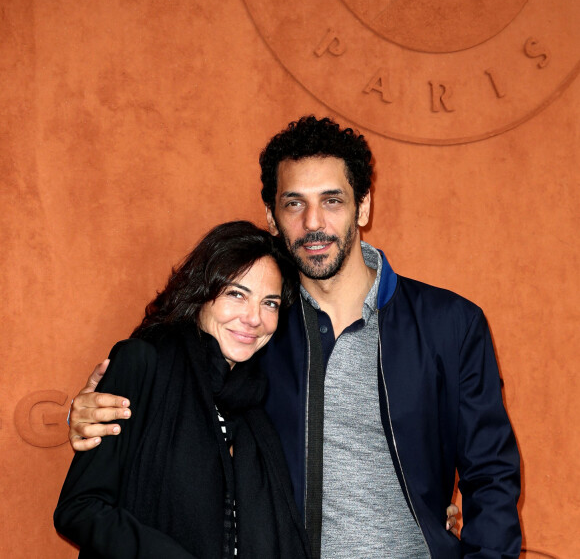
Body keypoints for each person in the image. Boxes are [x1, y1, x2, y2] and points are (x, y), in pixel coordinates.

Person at [66, 116, 521, 558]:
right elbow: (178, 392)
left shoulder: (450, 324)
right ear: (271, 216)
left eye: (332, 200)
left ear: (363, 206)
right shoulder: (258, 333)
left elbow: (492, 475)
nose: (313, 223)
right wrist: (95, 409)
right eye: (294, 203)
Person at [54, 221, 311, 558]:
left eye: (270, 303)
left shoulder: (257, 400)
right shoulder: (143, 363)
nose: (254, 318)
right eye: (237, 294)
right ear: (202, 293)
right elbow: (80, 508)